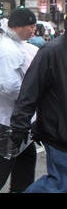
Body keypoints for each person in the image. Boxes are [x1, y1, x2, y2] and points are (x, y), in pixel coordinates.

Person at [0, 8, 38, 193]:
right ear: (19, 26)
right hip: (4, 123)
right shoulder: (7, 50)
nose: (34, 29)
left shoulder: (18, 44)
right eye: (31, 25)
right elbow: (10, 87)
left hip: (18, 121)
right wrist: (33, 97)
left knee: (25, 167)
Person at [10, 23, 67, 193]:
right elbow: (30, 90)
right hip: (59, 134)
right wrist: (20, 124)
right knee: (59, 184)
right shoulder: (51, 52)